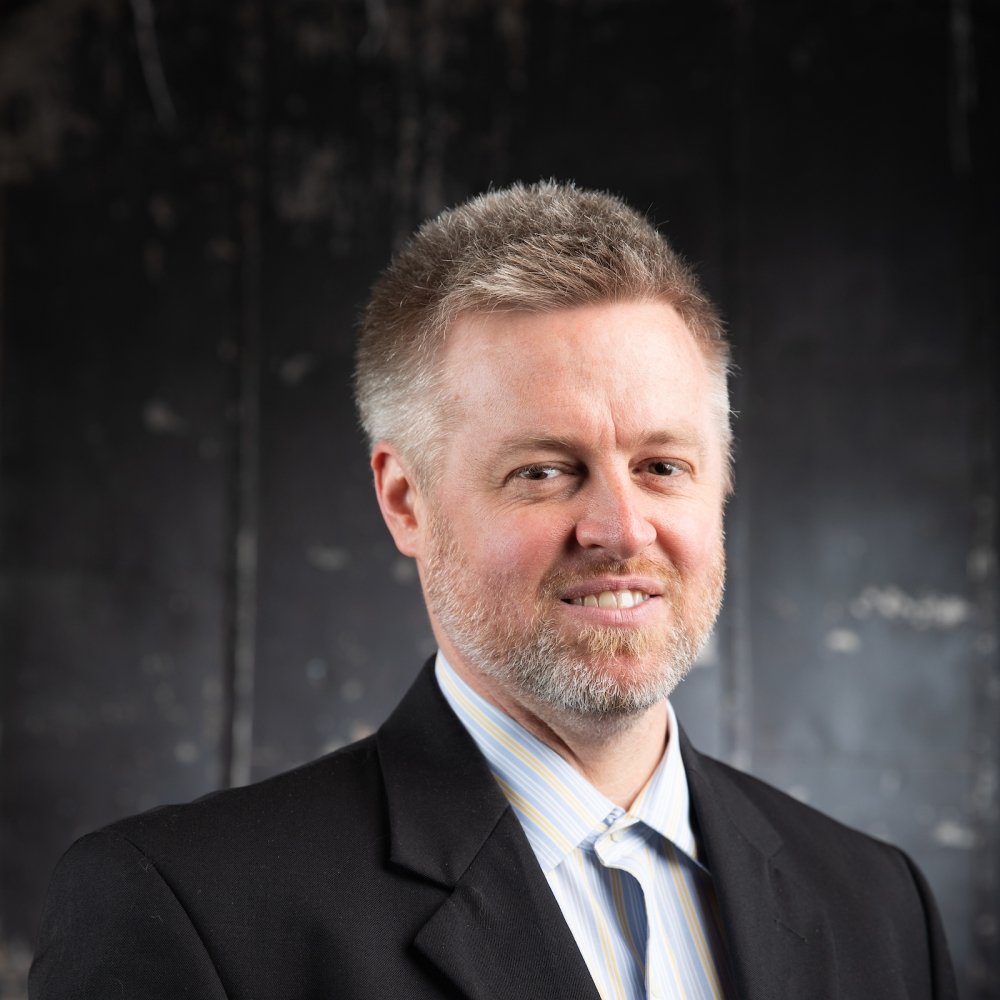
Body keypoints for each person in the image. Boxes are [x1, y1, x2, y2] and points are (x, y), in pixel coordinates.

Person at [30, 181, 957, 999]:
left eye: (662, 465)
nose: (622, 529)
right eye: (545, 472)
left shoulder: (880, 908)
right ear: (406, 502)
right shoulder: (182, 910)